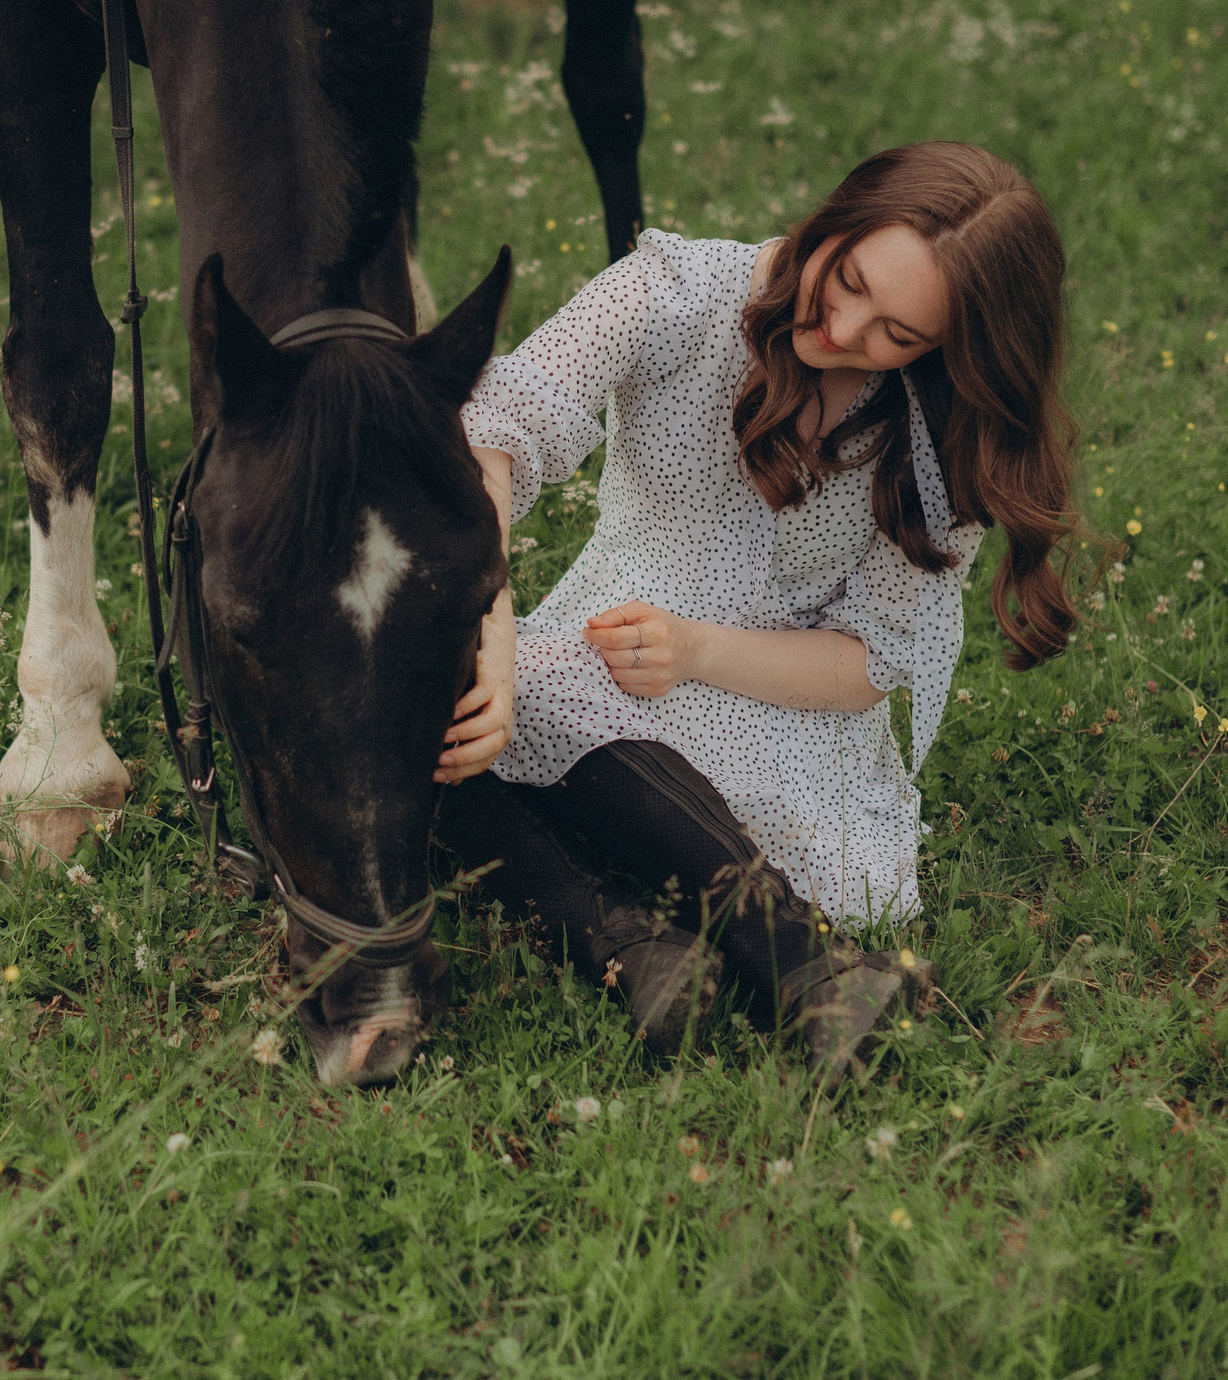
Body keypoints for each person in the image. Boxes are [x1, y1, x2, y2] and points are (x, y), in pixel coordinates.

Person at [433, 142, 1080, 1082]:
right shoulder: (673, 292)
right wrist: (487, 634)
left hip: (776, 710)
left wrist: (696, 650)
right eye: (848, 277)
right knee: (431, 712)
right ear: (837, 215)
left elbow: (865, 666)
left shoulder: (939, 433)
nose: (845, 327)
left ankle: (790, 957)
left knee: (547, 698)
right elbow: (493, 441)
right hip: (604, 651)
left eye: (897, 333)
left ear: (945, 348)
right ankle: (642, 952)